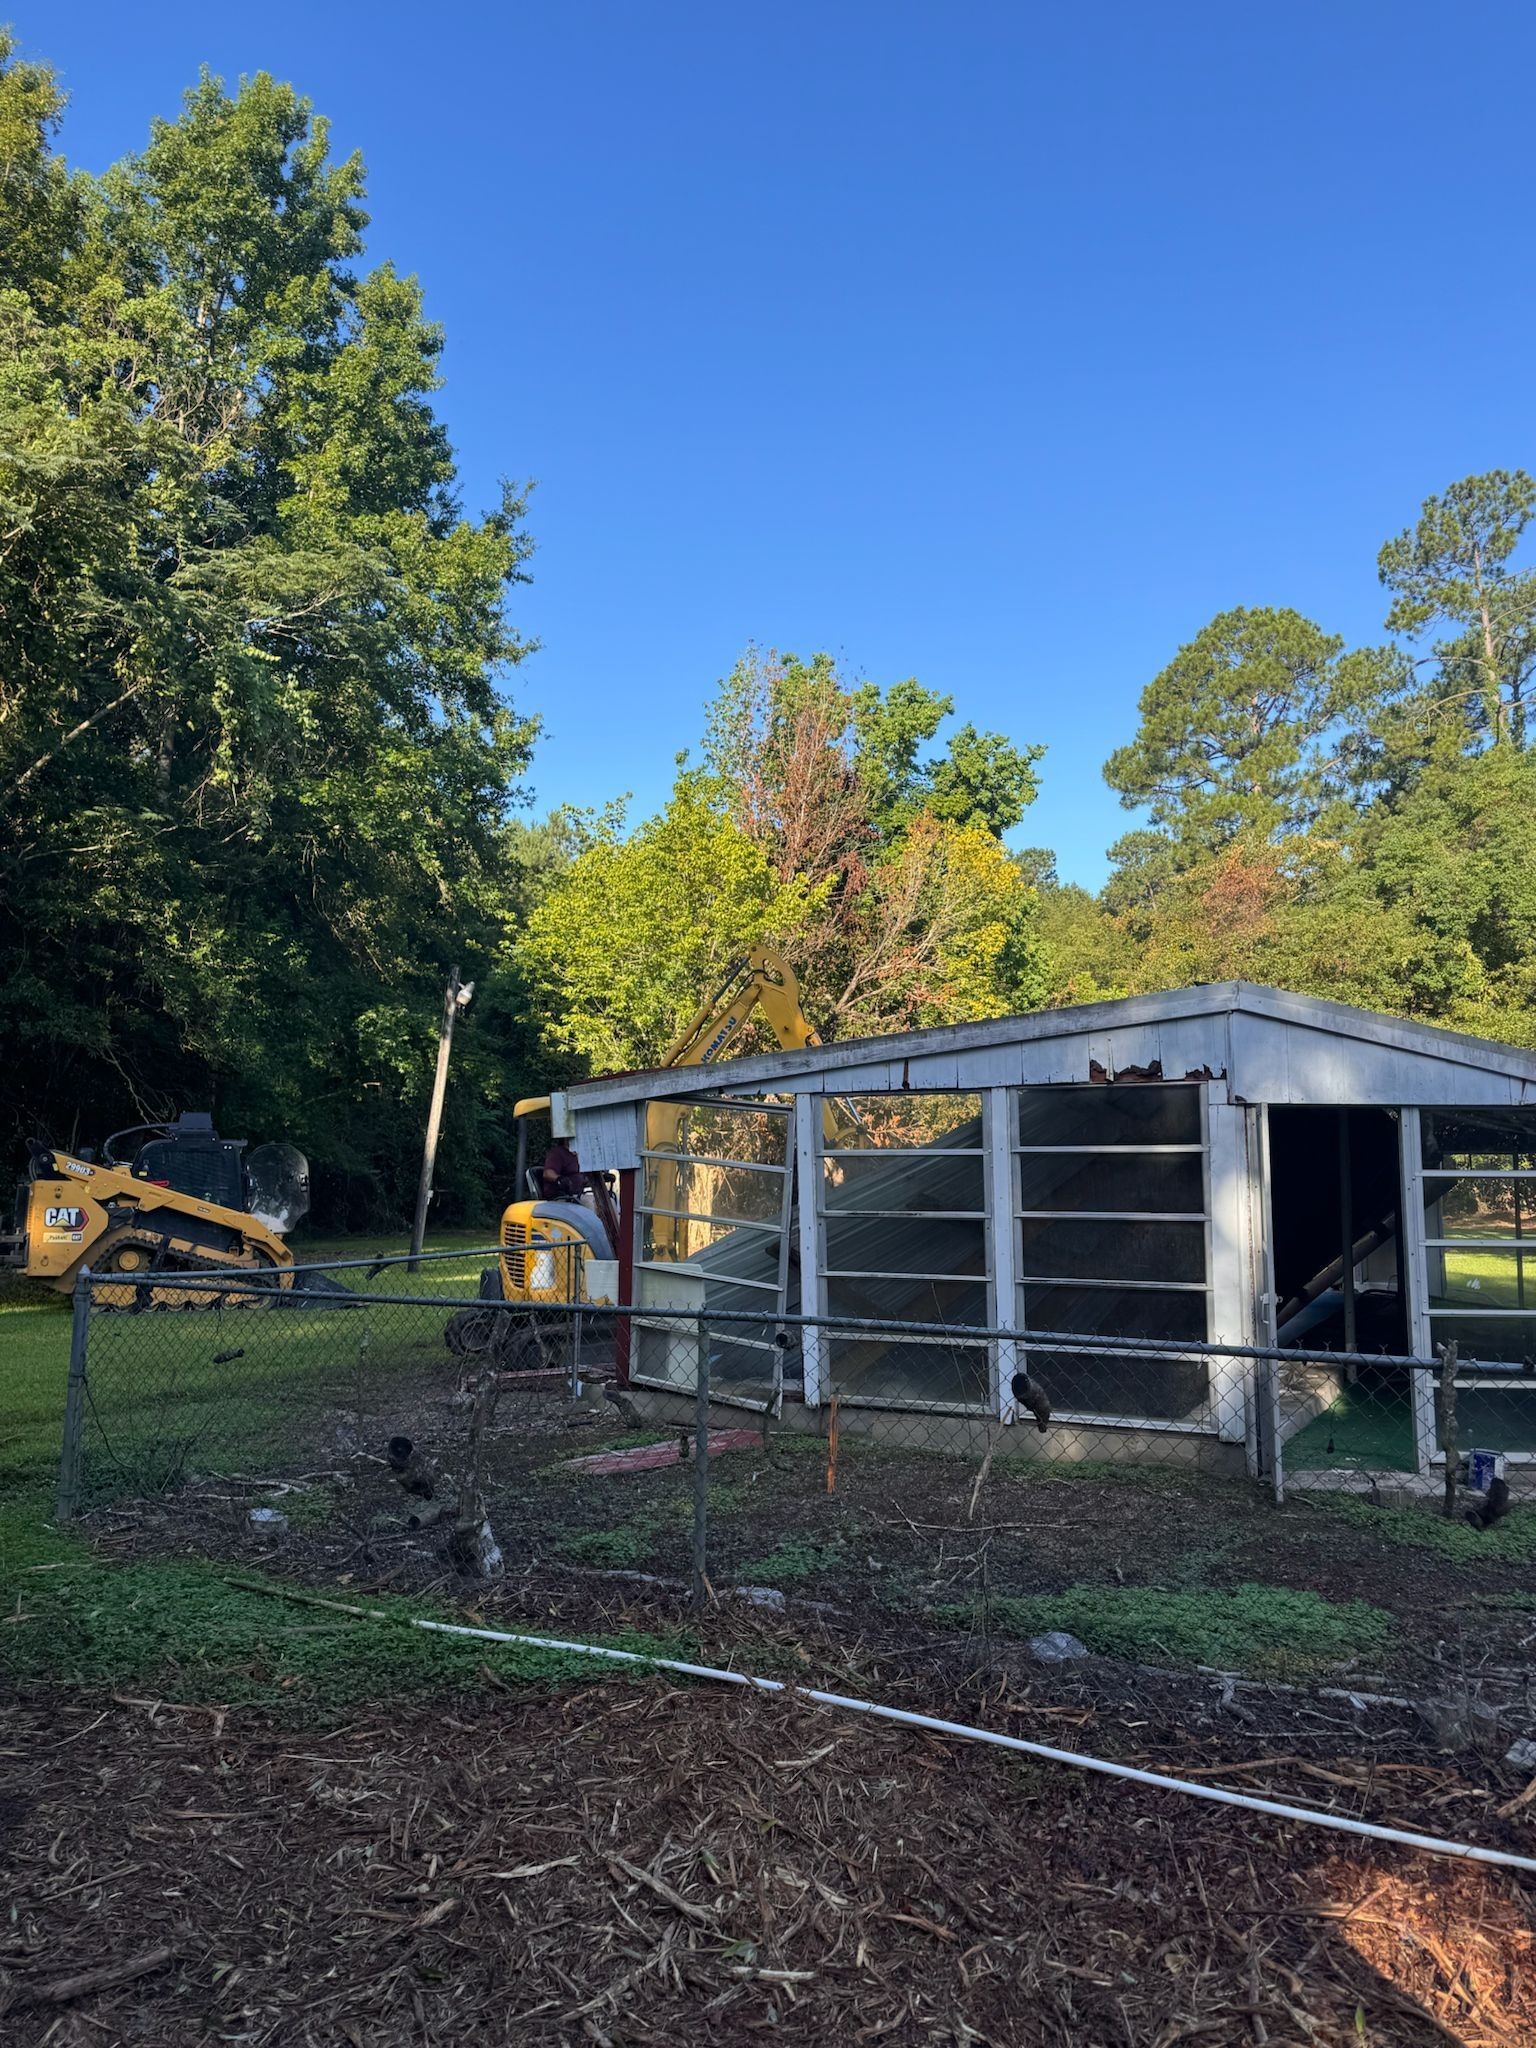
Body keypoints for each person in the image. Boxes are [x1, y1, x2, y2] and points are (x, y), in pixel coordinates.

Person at [540, 1137, 584, 1202]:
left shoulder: (579, 1153)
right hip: (563, 1196)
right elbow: (547, 1173)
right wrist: (561, 1179)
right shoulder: (557, 1153)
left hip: (580, 1193)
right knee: (592, 1203)